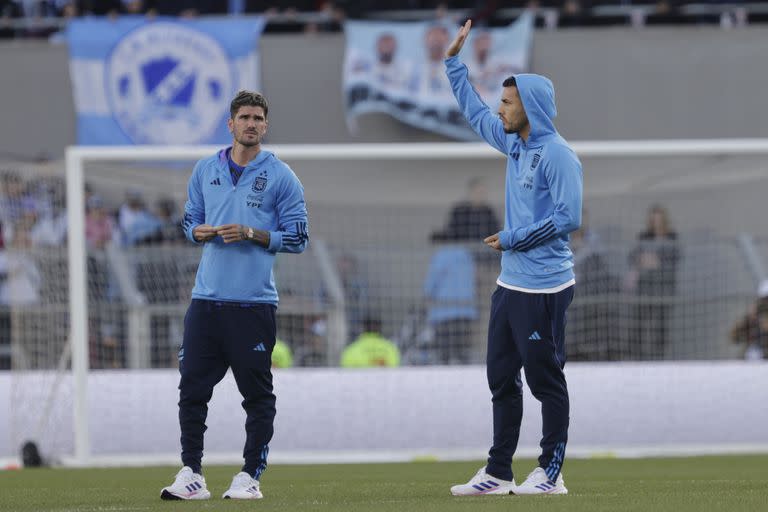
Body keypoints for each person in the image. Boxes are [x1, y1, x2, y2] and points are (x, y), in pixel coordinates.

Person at [444, 20, 582, 496]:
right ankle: (498, 471)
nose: (499, 110)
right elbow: (474, 114)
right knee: (501, 378)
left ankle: (551, 471)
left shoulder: (558, 155)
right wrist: (452, 64)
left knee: (546, 380)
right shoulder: (515, 145)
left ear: (531, 107)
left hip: (545, 286)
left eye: (507, 102)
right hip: (510, 286)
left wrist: (514, 238)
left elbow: (569, 217)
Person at [160, 90, 309, 501]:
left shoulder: (281, 176)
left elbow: (299, 237)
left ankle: (249, 476)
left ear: (265, 125)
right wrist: (198, 232)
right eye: (244, 117)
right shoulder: (205, 169)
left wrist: (251, 233)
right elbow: (190, 220)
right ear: (230, 124)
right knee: (191, 389)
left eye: (258, 118)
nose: (251, 124)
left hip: (253, 305)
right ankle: (191, 472)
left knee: (257, 395)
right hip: (205, 302)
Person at [625, 204, 679, 360]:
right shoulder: (644, 236)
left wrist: (657, 261)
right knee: (639, 325)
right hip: (644, 289)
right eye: (653, 219)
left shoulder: (672, 237)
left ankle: (659, 358)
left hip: (664, 291)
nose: (656, 222)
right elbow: (633, 256)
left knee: (661, 327)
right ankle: (636, 357)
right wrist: (643, 260)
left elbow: (674, 259)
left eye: (658, 218)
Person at [423, 230, 478, 365]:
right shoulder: (466, 255)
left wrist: (425, 297)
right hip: (466, 311)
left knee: (444, 354)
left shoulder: (440, 256)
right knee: (462, 352)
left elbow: (431, 284)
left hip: (444, 312)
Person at [729, 280, 768, 360]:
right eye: (764, 300)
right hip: (754, 357)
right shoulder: (753, 317)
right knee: (752, 353)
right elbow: (734, 337)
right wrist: (749, 319)